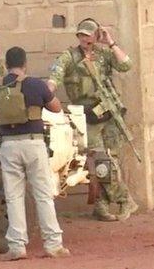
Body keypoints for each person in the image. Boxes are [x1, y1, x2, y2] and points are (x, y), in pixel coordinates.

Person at [47, 18, 138, 222]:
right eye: (81, 34)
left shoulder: (104, 54)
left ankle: (102, 204)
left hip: (108, 113)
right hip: (87, 116)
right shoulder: (69, 57)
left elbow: (126, 65)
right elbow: (55, 76)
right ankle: (125, 200)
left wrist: (111, 43)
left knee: (110, 161)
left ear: (96, 36)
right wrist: (47, 91)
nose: (84, 38)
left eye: (89, 35)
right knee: (99, 162)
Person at [0, 46, 69, 261]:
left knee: (14, 197)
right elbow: (56, 108)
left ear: (6, 65)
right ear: (25, 64)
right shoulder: (35, 84)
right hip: (34, 144)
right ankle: (53, 244)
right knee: (43, 194)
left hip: (8, 146)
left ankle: (17, 246)